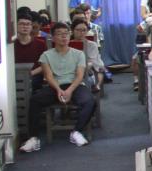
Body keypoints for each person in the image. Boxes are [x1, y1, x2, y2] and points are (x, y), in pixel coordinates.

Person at [20, 22, 95, 151]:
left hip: (75, 85)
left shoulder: (79, 54)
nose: (64, 37)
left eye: (66, 34)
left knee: (89, 101)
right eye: (59, 34)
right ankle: (33, 138)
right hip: (55, 86)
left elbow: (80, 76)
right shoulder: (46, 55)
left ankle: (77, 131)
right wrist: (59, 90)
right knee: (35, 100)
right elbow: (48, 76)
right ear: (53, 38)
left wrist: (69, 90)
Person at [13, 11, 48, 89]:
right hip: (14, 76)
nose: (25, 27)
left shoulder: (41, 44)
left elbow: (44, 65)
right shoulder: (11, 45)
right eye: (22, 24)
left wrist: (30, 73)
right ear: (16, 26)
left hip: (34, 76)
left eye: (28, 24)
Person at [70, 18, 105, 92]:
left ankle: (96, 85)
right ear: (72, 30)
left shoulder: (92, 44)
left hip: (88, 68)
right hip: (71, 69)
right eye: (78, 30)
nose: (81, 32)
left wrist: (81, 71)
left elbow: (91, 62)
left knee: (97, 68)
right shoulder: (67, 44)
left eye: (84, 30)